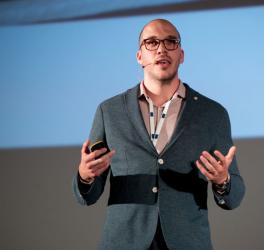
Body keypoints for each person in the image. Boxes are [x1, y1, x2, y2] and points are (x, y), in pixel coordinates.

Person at [73, 18, 245, 250]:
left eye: (170, 42)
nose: (161, 49)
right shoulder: (109, 111)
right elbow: (88, 196)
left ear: (181, 55)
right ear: (139, 57)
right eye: (151, 43)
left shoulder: (212, 114)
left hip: (188, 242)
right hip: (124, 242)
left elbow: (233, 198)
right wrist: (85, 176)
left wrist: (223, 181)